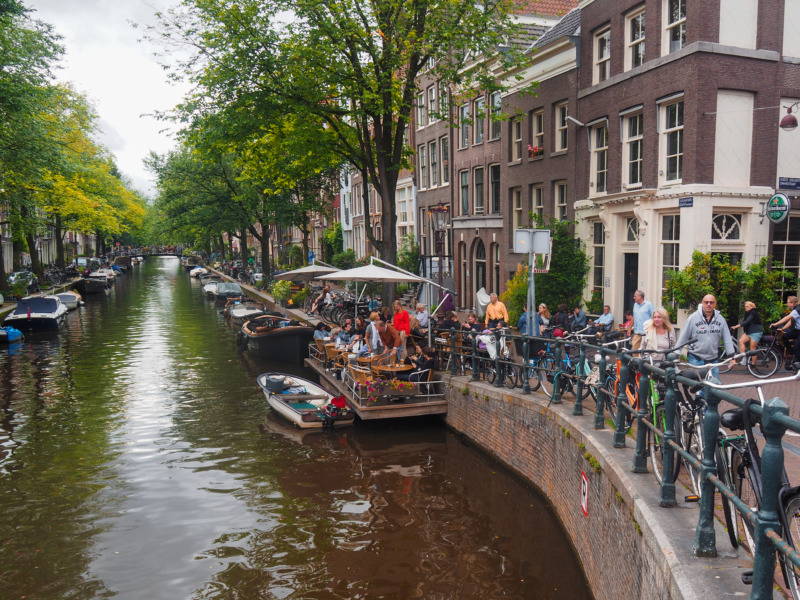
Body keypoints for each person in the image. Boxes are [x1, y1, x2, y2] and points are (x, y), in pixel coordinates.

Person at [676, 294, 736, 379]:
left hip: (713, 360)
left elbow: (727, 338)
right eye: (706, 302)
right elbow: (684, 337)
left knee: (714, 387)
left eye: (711, 302)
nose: (708, 304)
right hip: (696, 358)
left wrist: (731, 356)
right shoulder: (693, 318)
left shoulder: (720, 319)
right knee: (700, 388)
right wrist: (677, 352)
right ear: (702, 303)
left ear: (715, 304)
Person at [771, 296, 800, 370]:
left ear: (793, 303)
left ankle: (798, 366)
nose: (787, 304)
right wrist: (783, 328)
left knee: (797, 347)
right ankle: (791, 352)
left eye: (788, 302)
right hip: (797, 330)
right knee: (784, 337)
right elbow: (790, 321)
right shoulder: (795, 310)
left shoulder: (797, 309)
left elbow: (787, 318)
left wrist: (776, 324)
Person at [731, 301, 763, 366]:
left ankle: (753, 364)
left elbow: (746, 322)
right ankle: (744, 359)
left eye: (747, 306)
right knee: (741, 341)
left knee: (752, 349)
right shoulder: (749, 313)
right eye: (745, 306)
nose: (746, 307)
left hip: (755, 332)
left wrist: (736, 326)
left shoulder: (753, 313)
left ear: (751, 307)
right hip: (749, 332)